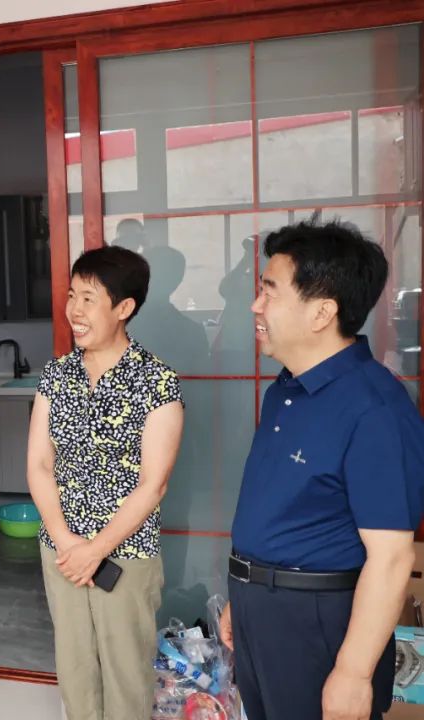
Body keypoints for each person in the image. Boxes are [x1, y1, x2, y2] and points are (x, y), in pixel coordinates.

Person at [218, 219, 424, 720]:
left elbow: (392, 557)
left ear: (322, 312)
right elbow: (284, 508)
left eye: (270, 291)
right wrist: (244, 590)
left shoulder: (374, 409)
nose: (256, 306)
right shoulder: (286, 390)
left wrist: (353, 672)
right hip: (260, 610)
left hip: (317, 623)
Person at [27, 245, 184, 720]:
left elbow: (153, 485)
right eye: (71, 295)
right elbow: (39, 465)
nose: (74, 310)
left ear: (124, 308)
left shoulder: (156, 381)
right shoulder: (57, 375)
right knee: (74, 667)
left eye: (89, 299)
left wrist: (95, 550)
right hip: (62, 550)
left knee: (125, 671)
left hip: (126, 555)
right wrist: (65, 541)